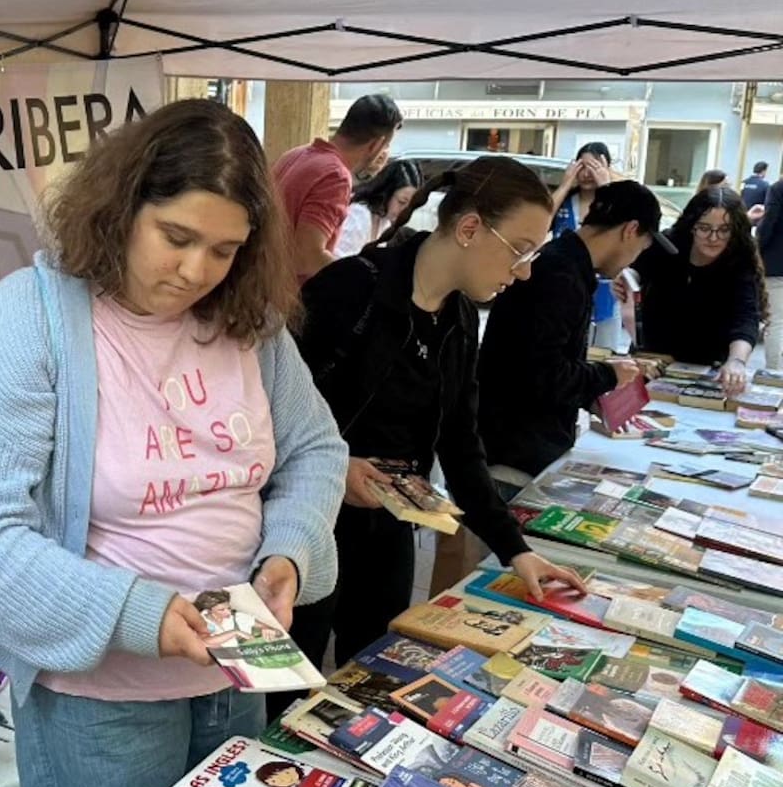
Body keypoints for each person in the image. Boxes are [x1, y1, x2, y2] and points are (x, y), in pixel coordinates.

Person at [0, 99, 348, 787]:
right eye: (176, 237)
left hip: (235, 674)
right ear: (121, 209)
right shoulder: (29, 320)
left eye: (226, 250)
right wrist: (137, 616)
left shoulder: (249, 325)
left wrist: (289, 551)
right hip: (100, 699)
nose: (196, 271)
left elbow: (315, 448)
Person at [265, 156, 587, 721]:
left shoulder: (459, 320)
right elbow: (266, 412)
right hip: (307, 531)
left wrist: (516, 550)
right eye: (520, 250)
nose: (523, 272)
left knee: (372, 685)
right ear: (469, 229)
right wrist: (336, 467)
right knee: (285, 694)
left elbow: (461, 446)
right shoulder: (350, 290)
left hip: (388, 534)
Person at [478, 182, 674, 488]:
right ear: (630, 230)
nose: (634, 259)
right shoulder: (559, 274)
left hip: (521, 444)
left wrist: (590, 396)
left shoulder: (567, 264)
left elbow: (544, 363)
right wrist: (607, 375)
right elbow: (542, 373)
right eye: (642, 247)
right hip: (513, 457)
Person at [618, 186, 768, 396]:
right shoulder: (667, 244)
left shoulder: (739, 260)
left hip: (707, 363)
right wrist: (625, 279)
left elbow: (745, 317)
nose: (713, 238)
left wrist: (736, 361)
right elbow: (634, 270)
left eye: (724, 229)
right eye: (704, 228)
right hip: (652, 357)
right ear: (691, 225)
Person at [273, 93, 403, 280]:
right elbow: (307, 258)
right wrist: (362, 277)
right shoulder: (336, 177)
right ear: (376, 145)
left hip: (261, 283)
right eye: (386, 146)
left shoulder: (295, 155)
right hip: (287, 292)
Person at [335, 159, 423, 258]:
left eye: (410, 205)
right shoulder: (359, 214)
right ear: (386, 193)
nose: (404, 211)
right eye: (401, 202)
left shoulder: (385, 221)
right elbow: (340, 259)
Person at [550, 142, 612, 238]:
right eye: (582, 167)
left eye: (593, 167)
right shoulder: (564, 202)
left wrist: (605, 186)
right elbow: (542, 217)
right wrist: (565, 185)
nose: (586, 174)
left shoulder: (616, 202)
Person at [756, 174, 783, 368]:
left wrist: (757, 249)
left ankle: (775, 374)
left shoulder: (778, 189)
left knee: (776, 322)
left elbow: (768, 225)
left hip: (777, 264)